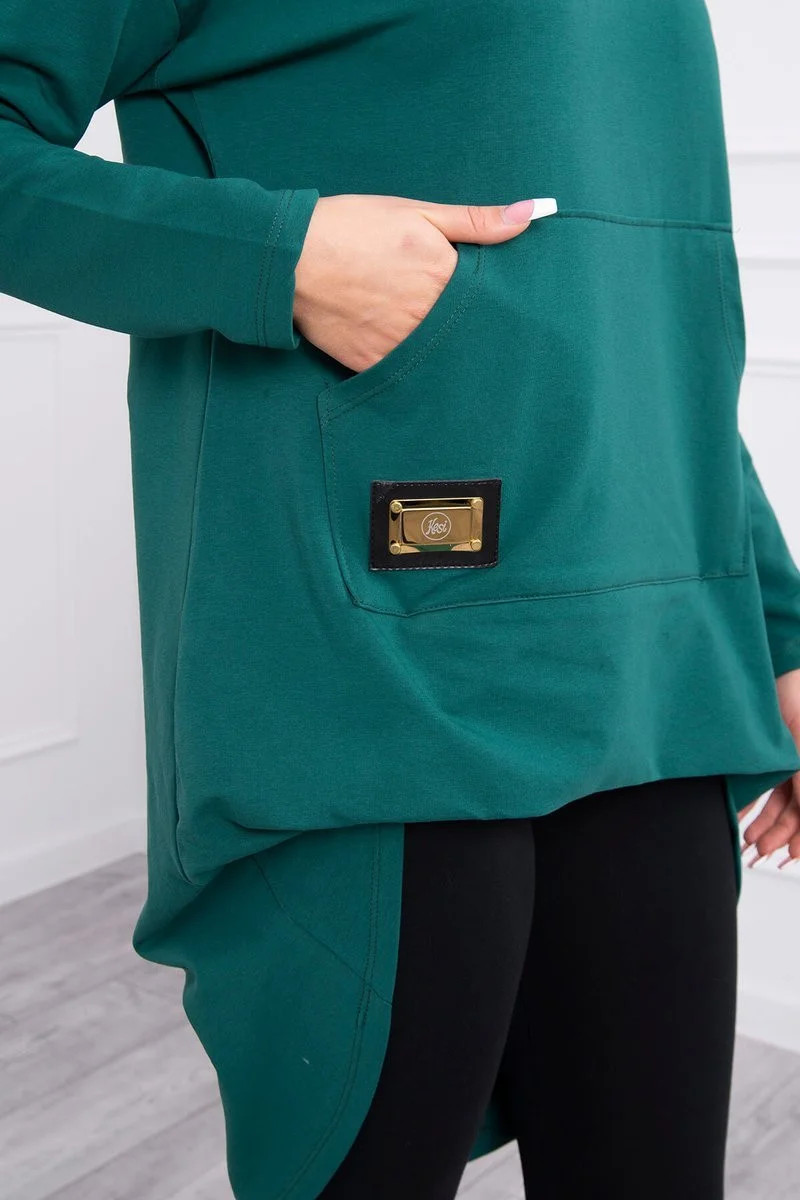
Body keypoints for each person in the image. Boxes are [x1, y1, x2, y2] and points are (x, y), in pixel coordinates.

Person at [1, 1, 799, 1197]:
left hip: (652, 665)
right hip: (372, 667)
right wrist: (277, 254)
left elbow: (647, 323)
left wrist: (775, 628)